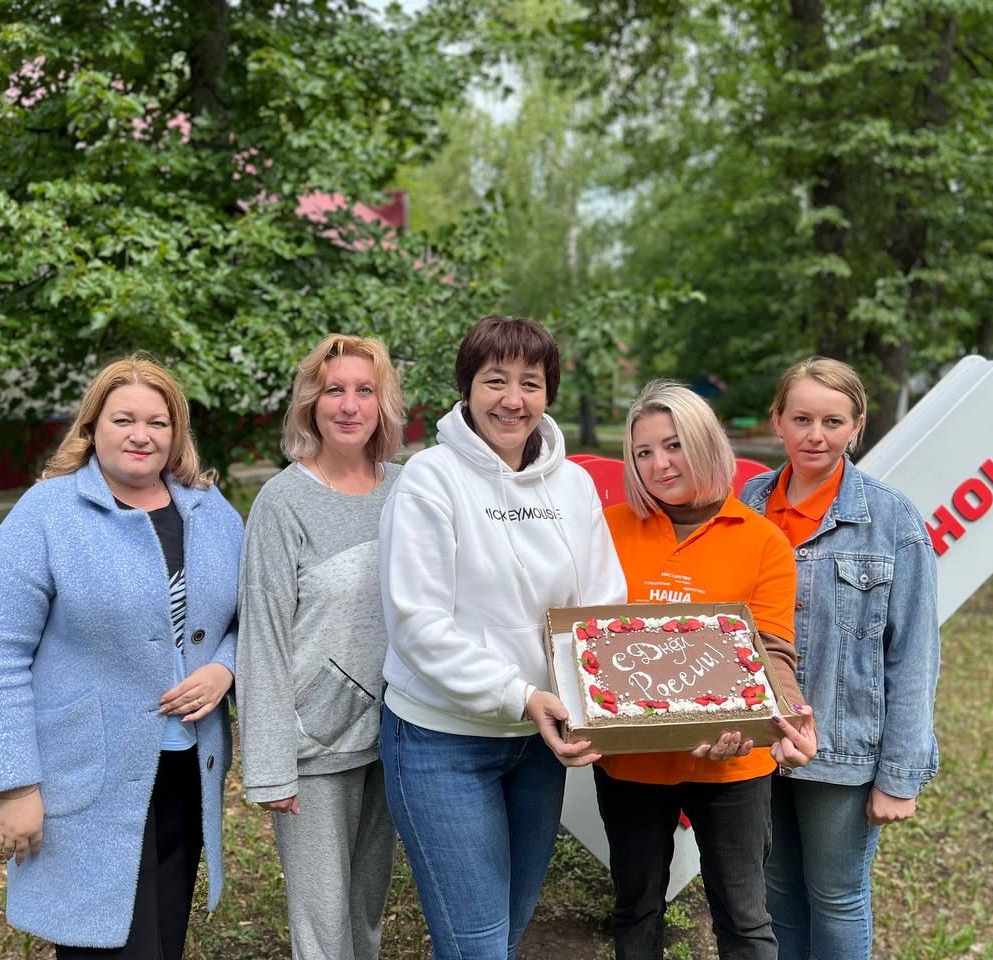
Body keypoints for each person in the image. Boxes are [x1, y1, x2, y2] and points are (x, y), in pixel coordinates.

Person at [0, 356, 242, 958]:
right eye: (124, 420)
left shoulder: (210, 511)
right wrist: (15, 786)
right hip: (86, 774)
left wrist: (226, 667)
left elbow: (250, 617)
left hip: (186, 769)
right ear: (92, 427)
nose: (142, 435)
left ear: (176, 433)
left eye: (158, 422)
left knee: (163, 938)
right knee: (105, 944)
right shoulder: (46, 515)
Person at [377, 314, 627, 960]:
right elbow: (417, 623)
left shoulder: (572, 485)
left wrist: (596, 701)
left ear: (548, 394)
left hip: (537, 745)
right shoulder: (429, 478)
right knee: (478, 946)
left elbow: (601, 607)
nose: (512, 400)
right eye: (495, 380)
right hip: (442, 740)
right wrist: (521, 694)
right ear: (467, 388)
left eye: (530, 383)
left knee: (505, 933)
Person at [597, 379, 819, 960]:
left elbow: (772, 649)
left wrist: (789, 715)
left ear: (704, 442)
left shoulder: (762, 541)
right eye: (644, 452)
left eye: (673, 445)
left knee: (744, 919)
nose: (660, 464)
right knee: (635, 908)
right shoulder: (607, 529)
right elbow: (585, 635)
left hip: (732, 763)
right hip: (632, 761)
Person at [740, 357, 939, 960]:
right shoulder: (748, 503)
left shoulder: (892, 519)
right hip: (761, 739)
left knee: (836, 896)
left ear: (856, 427)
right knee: (776, 891)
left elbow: (914, 654)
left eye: (833, 421)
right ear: (777, 420)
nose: (815, 435)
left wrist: (899, 777)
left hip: (843, 750)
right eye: (801, 419)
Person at [236, 334, 405, 960]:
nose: (349, 405)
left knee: (366, 910)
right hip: (315, 743)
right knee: (322, 924)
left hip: (397, 733)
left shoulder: (408, 489)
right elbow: (262, 635)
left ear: (384, 405)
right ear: (311, 402)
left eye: (365, 390)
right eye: (334, 390)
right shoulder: (282, 502)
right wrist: (270, 763)